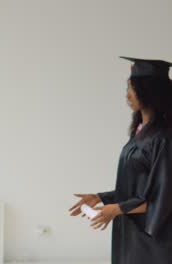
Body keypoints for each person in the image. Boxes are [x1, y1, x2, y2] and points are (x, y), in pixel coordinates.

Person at [70, 57, 172, 264]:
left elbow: (164, 197)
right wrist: (101, 197)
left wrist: (117, 208)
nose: (127, 95)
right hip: (131, 232)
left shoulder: (164, 138)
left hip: (152, 241)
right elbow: (139, 189)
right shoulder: (141, 133)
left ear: (150, 91)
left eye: (132, 88)